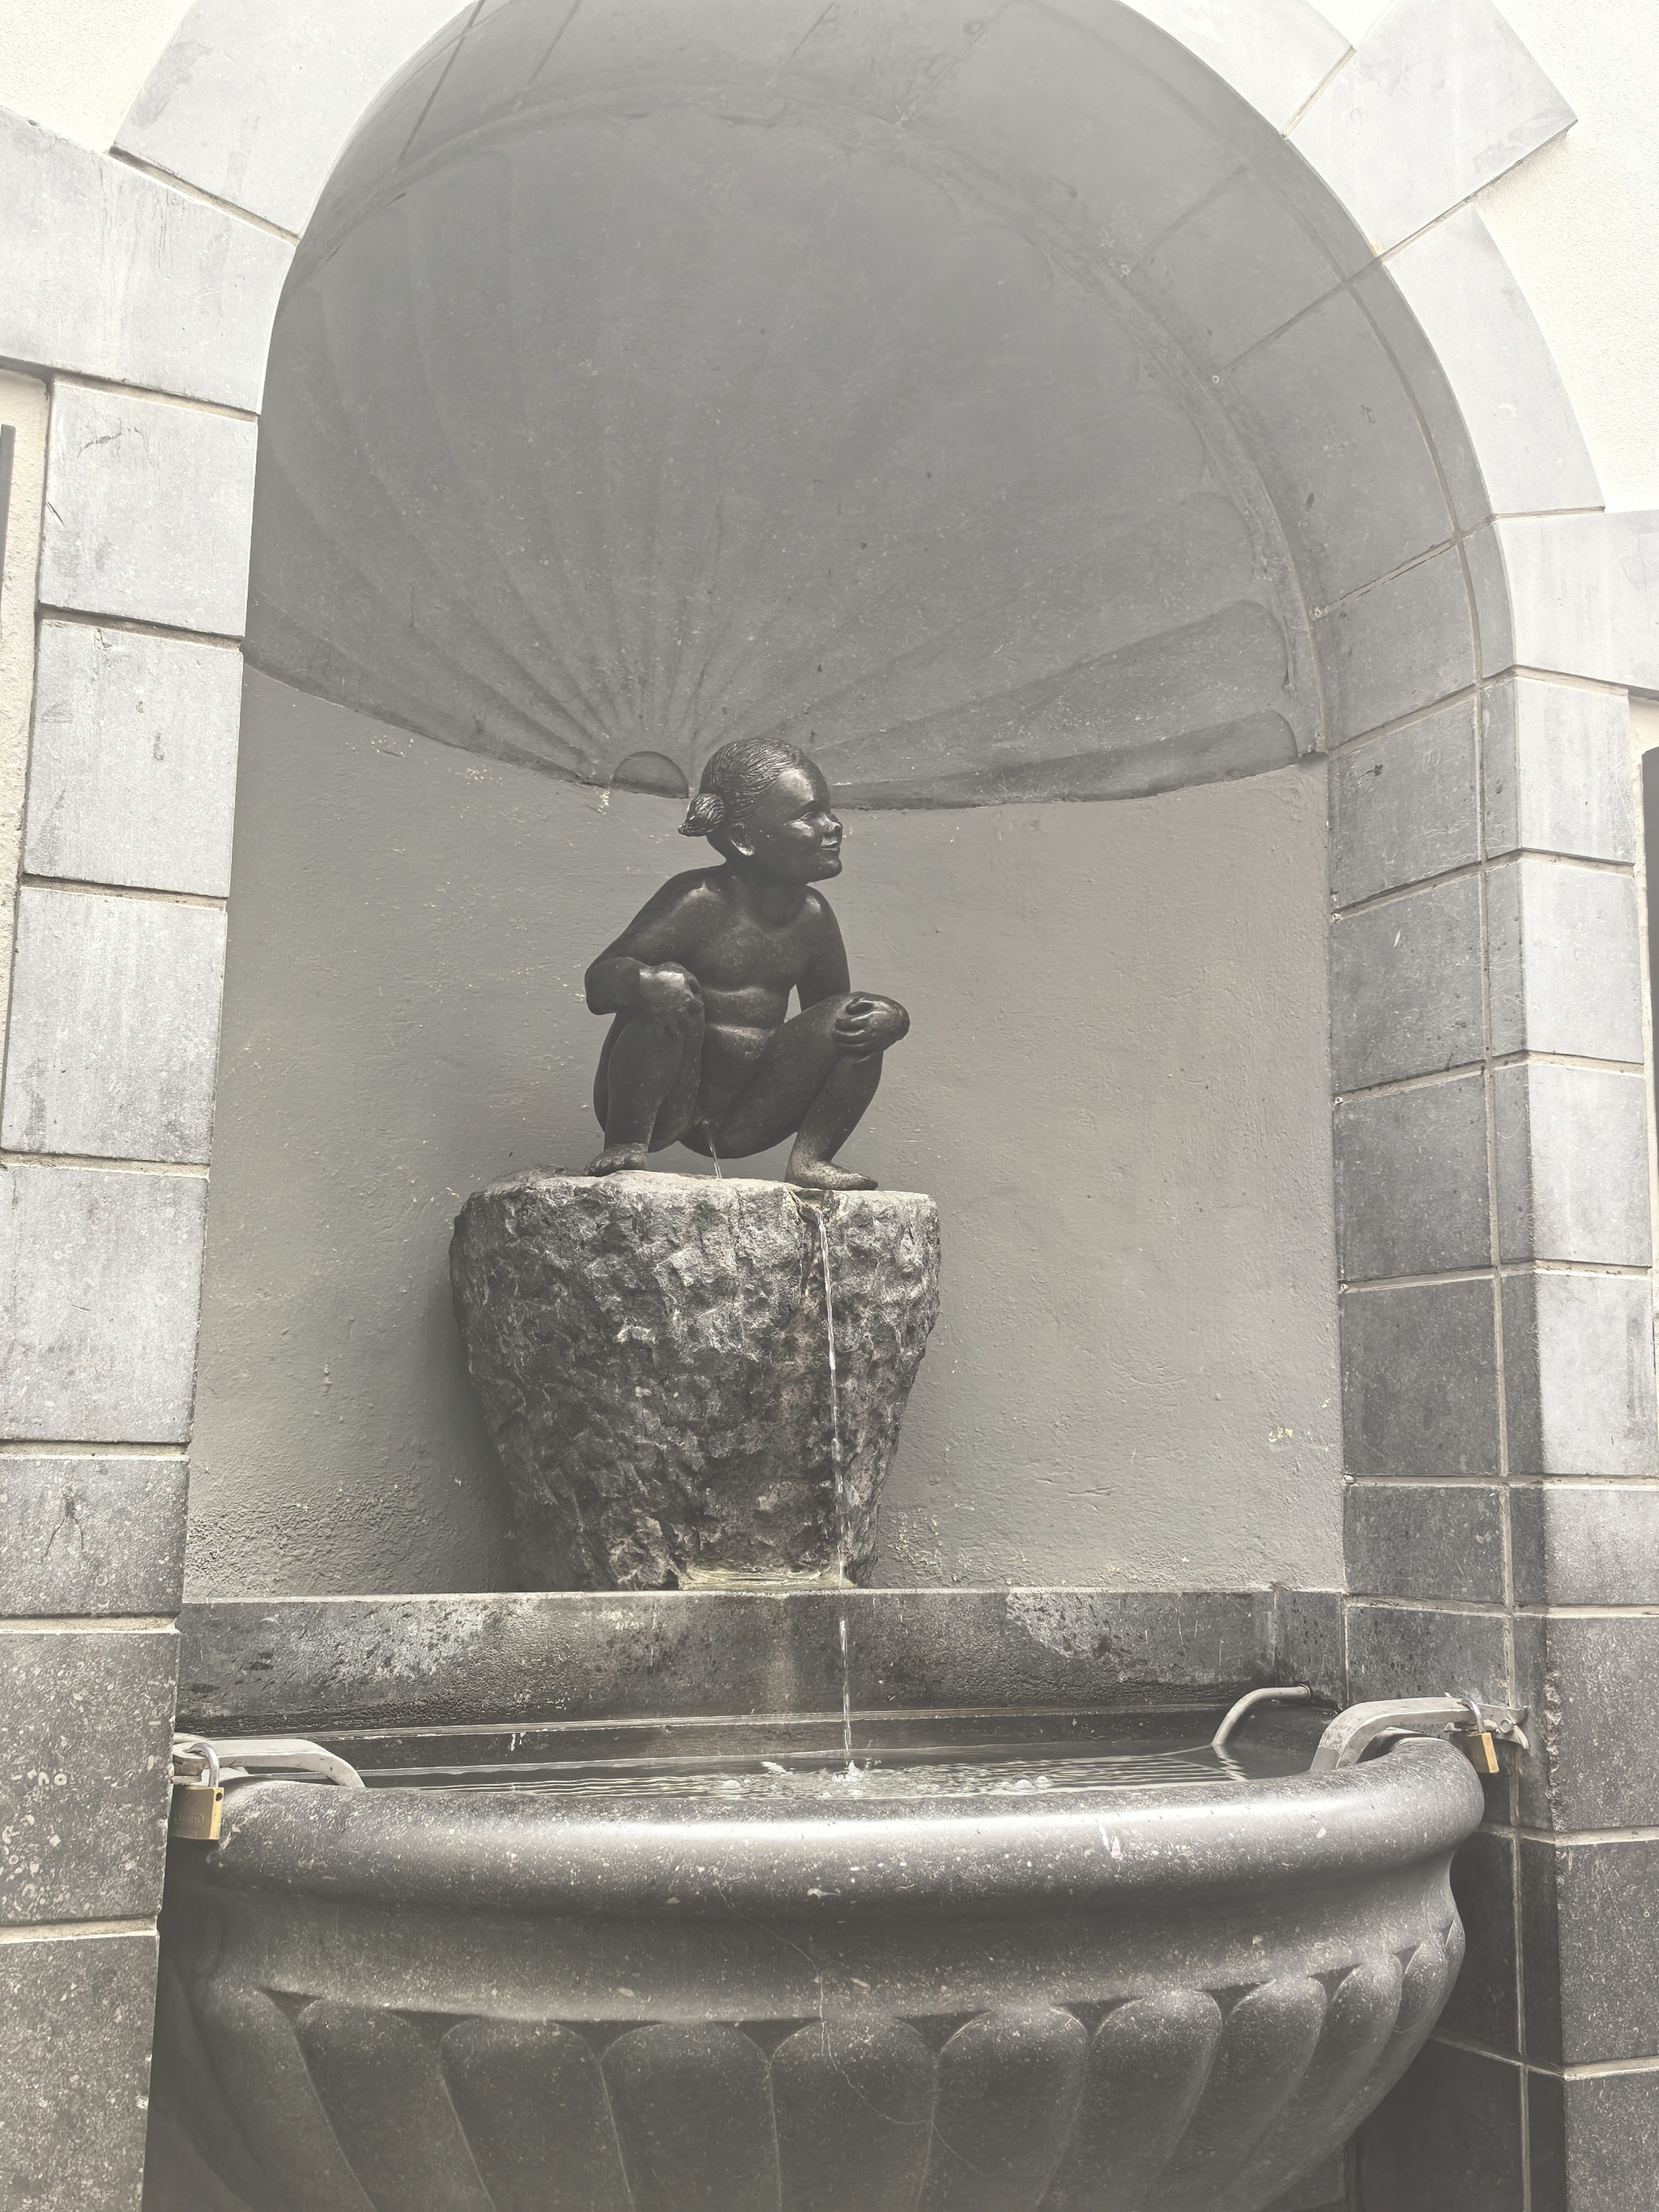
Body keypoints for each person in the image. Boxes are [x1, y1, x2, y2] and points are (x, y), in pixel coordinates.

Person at [586, 736, 910, 1189]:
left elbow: (831, 1013)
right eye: (809, 815)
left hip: (749, 1115)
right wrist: (644, 982)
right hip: (668, 1104)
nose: (833, 827)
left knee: (866, 1021)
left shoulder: (813, 916)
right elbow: (598, 985)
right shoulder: (697, 899)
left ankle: (811, 1158)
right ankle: (626, 1142)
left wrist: (891, 1018)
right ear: (742, 838)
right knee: (667, 985)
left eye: (828, 812)